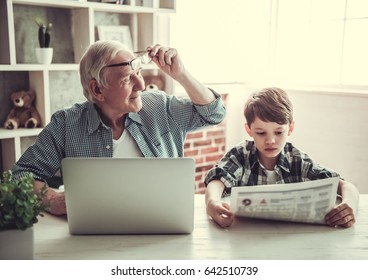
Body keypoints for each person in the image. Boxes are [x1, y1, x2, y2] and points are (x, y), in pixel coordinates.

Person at [11, 40, 226, 215]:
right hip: (94, 238)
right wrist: (52, 199)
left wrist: (181, 75)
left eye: (139, 73)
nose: (141, 85)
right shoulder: (67, 124)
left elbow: (214, 114)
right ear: (97, 90)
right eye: (127, 79)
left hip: (164, 226)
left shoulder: (160, 106)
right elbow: (20, 175)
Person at [204, 87, 359, 228]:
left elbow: (347, 186)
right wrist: (212, 202)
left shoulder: (298, 160)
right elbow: (216, 181)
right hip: (244, 237)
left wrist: (349, 204)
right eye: (261, 132)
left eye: (278, 132)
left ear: (290, 128)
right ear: (249, 130)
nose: (270, 141)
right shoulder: (240, 155)